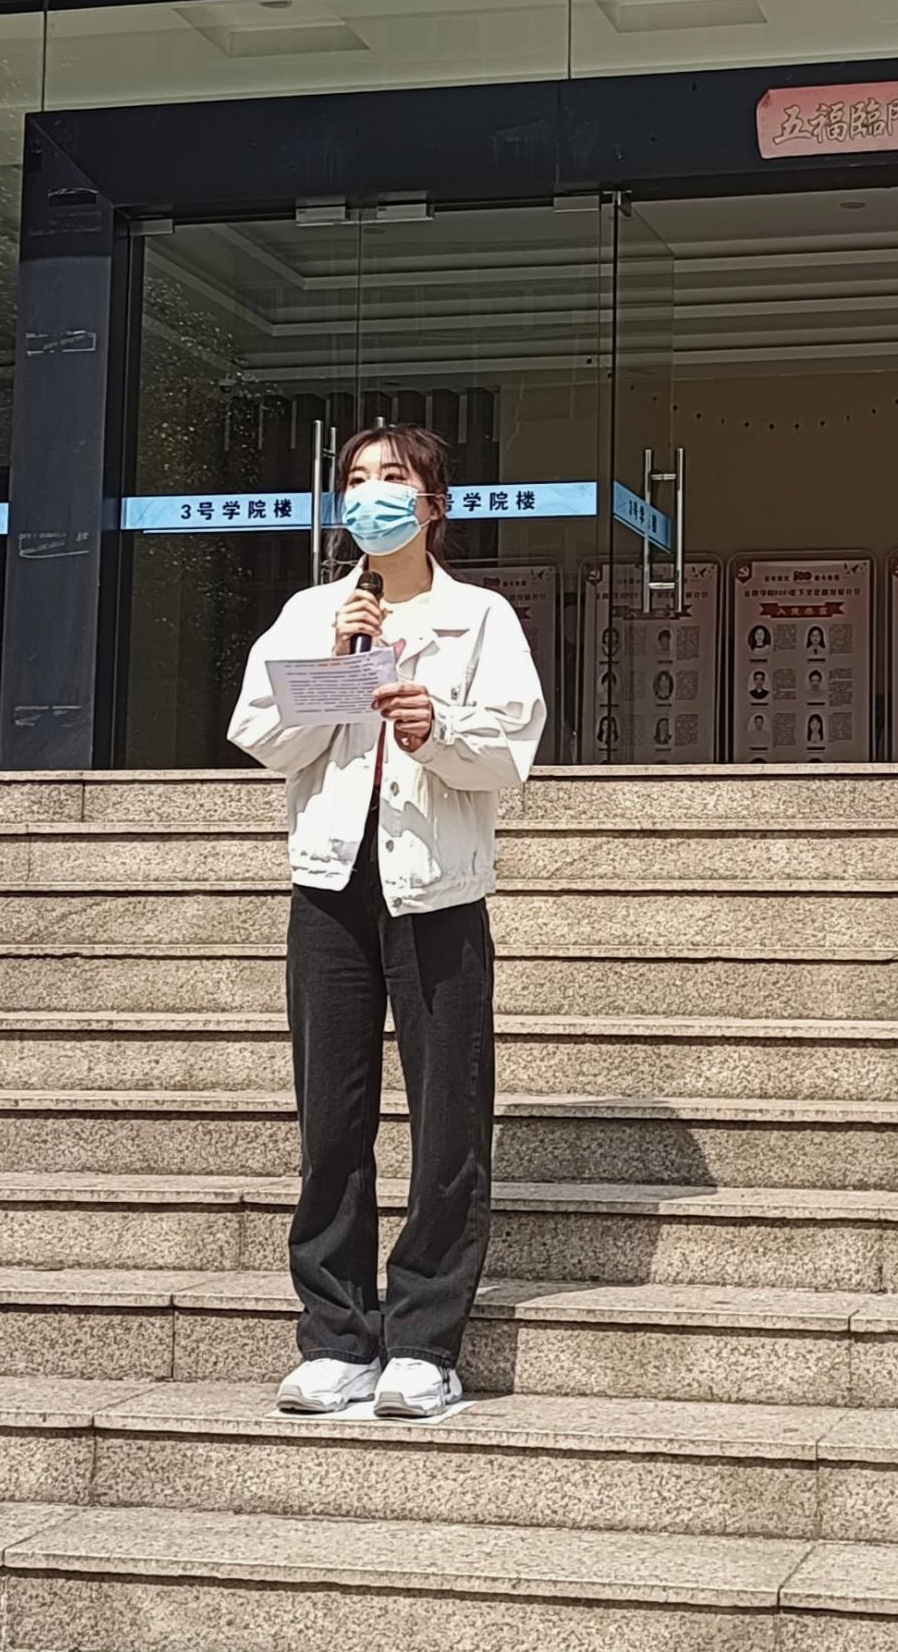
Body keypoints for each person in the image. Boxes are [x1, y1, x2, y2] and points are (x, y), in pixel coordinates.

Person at [228, 424, 546, 1420]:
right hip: (329, 888)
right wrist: (333, 667)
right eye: (356, 479)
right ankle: (335, 1338)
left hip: (436, 893)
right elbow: (258, 734)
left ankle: (422, 1343)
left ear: (433, 504)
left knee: (447, 1121)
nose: (372, 493)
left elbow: (512, 751)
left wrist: (436, 729)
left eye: (392, 477)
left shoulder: (479, 618)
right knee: (331, 1120)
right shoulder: (311, 613)